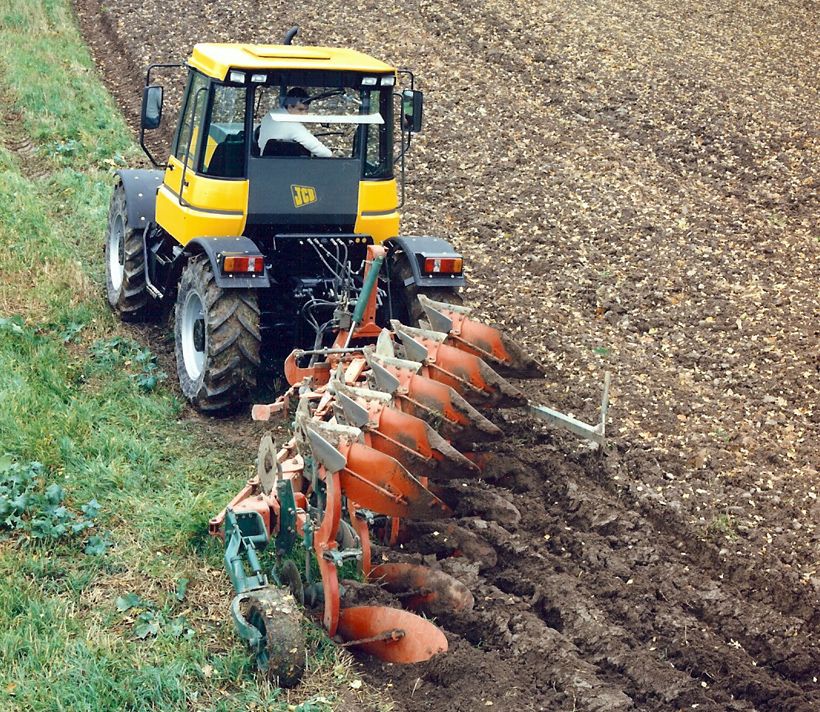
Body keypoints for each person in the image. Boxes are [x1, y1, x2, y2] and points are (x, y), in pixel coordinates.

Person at [257, 87, 332, 157]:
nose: (304, 114)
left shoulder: (270, 115)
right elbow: (323, 153)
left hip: (262, 159)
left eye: (306, 110)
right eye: (300, 110)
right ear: (289, 107)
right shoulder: (293, 126)